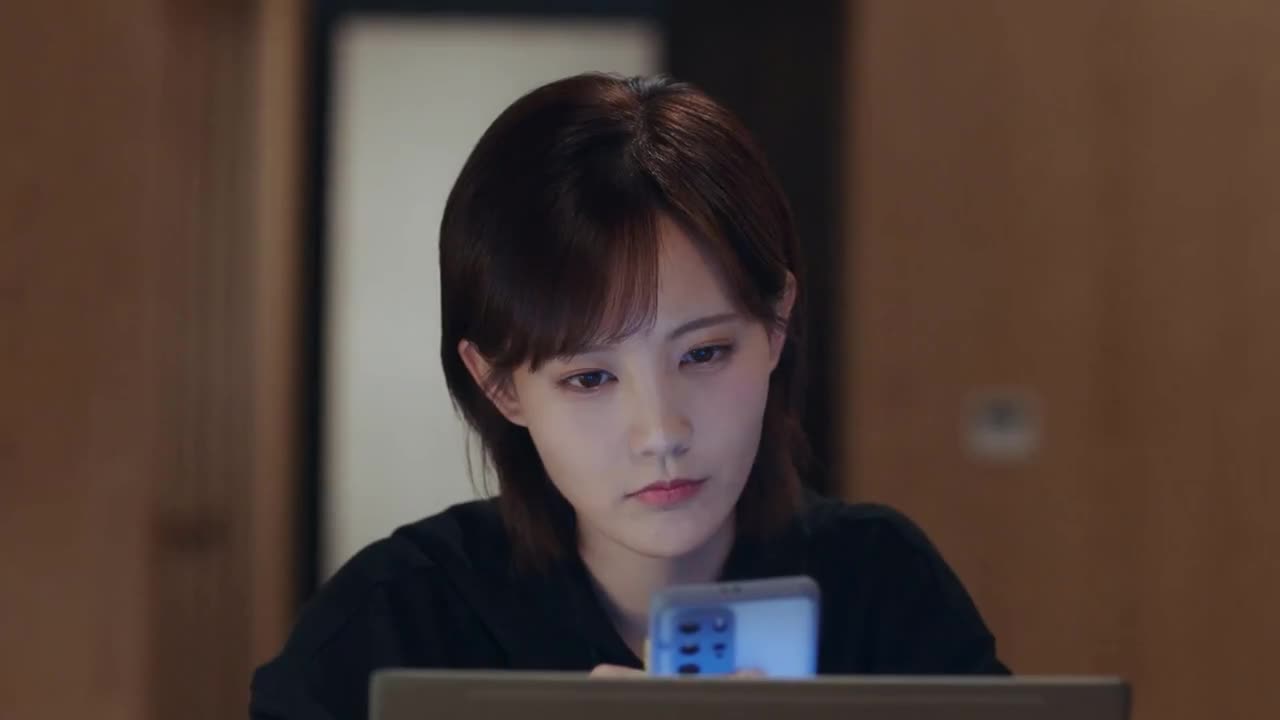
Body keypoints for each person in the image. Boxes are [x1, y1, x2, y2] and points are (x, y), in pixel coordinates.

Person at [250, 73, 1008, 720]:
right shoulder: (393, 626)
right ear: (500, 385)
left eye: (704, 353)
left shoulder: (883, 588)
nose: (661, 431)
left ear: (777, 325)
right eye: (590, 378)